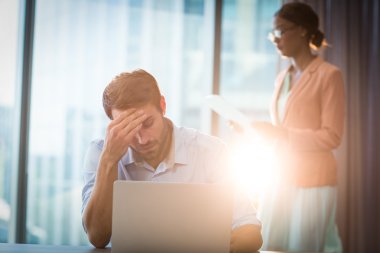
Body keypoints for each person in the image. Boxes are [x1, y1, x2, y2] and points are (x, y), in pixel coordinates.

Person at [81, 69, 263, 252]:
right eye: (128, 129)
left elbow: (250, 231)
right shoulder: (100, 153)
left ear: (162, 105)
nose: (142, 140)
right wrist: (109, 160)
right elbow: (97, 237)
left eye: (147, 123)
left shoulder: (211, 151)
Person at [248, 2, 345, 253]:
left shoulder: (328, 75)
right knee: (269, 244)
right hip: (280, 176)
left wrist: (281, 134)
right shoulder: (282, 77)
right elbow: (283, 128)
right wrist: (252, 131)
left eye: (281, 31)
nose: (276, 39)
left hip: (313, 179)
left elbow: (332, 137)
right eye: (273, 34)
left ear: (302, 30)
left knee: (303, 247)